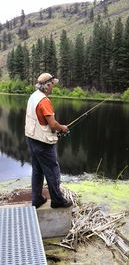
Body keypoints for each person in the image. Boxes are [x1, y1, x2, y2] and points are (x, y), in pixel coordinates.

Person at [25, 72, 73, 209]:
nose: (53, 87)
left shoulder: (33, 96)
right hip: (43, 143)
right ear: (47, 86)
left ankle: (37, 199)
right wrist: (62, 128)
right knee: (52, 171)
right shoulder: (44, 101)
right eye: (52, 84)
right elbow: (53, 125)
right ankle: (57, 201)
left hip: (32, 138)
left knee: (37, 170)